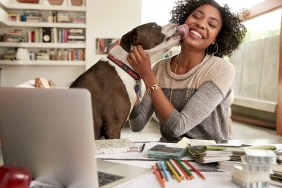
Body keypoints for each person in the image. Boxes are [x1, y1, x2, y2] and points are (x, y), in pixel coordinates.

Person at [127, 0, 247, 142]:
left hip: (208, 157)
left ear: (216, 39)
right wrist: (131, 77)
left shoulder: (221, 69)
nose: (201, 24)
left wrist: (147, 75)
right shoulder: (159, 67)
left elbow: (178, 127)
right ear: (184, 22)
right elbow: (137, 124)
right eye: (196, 16)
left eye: (212, 24)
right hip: (168, 154)